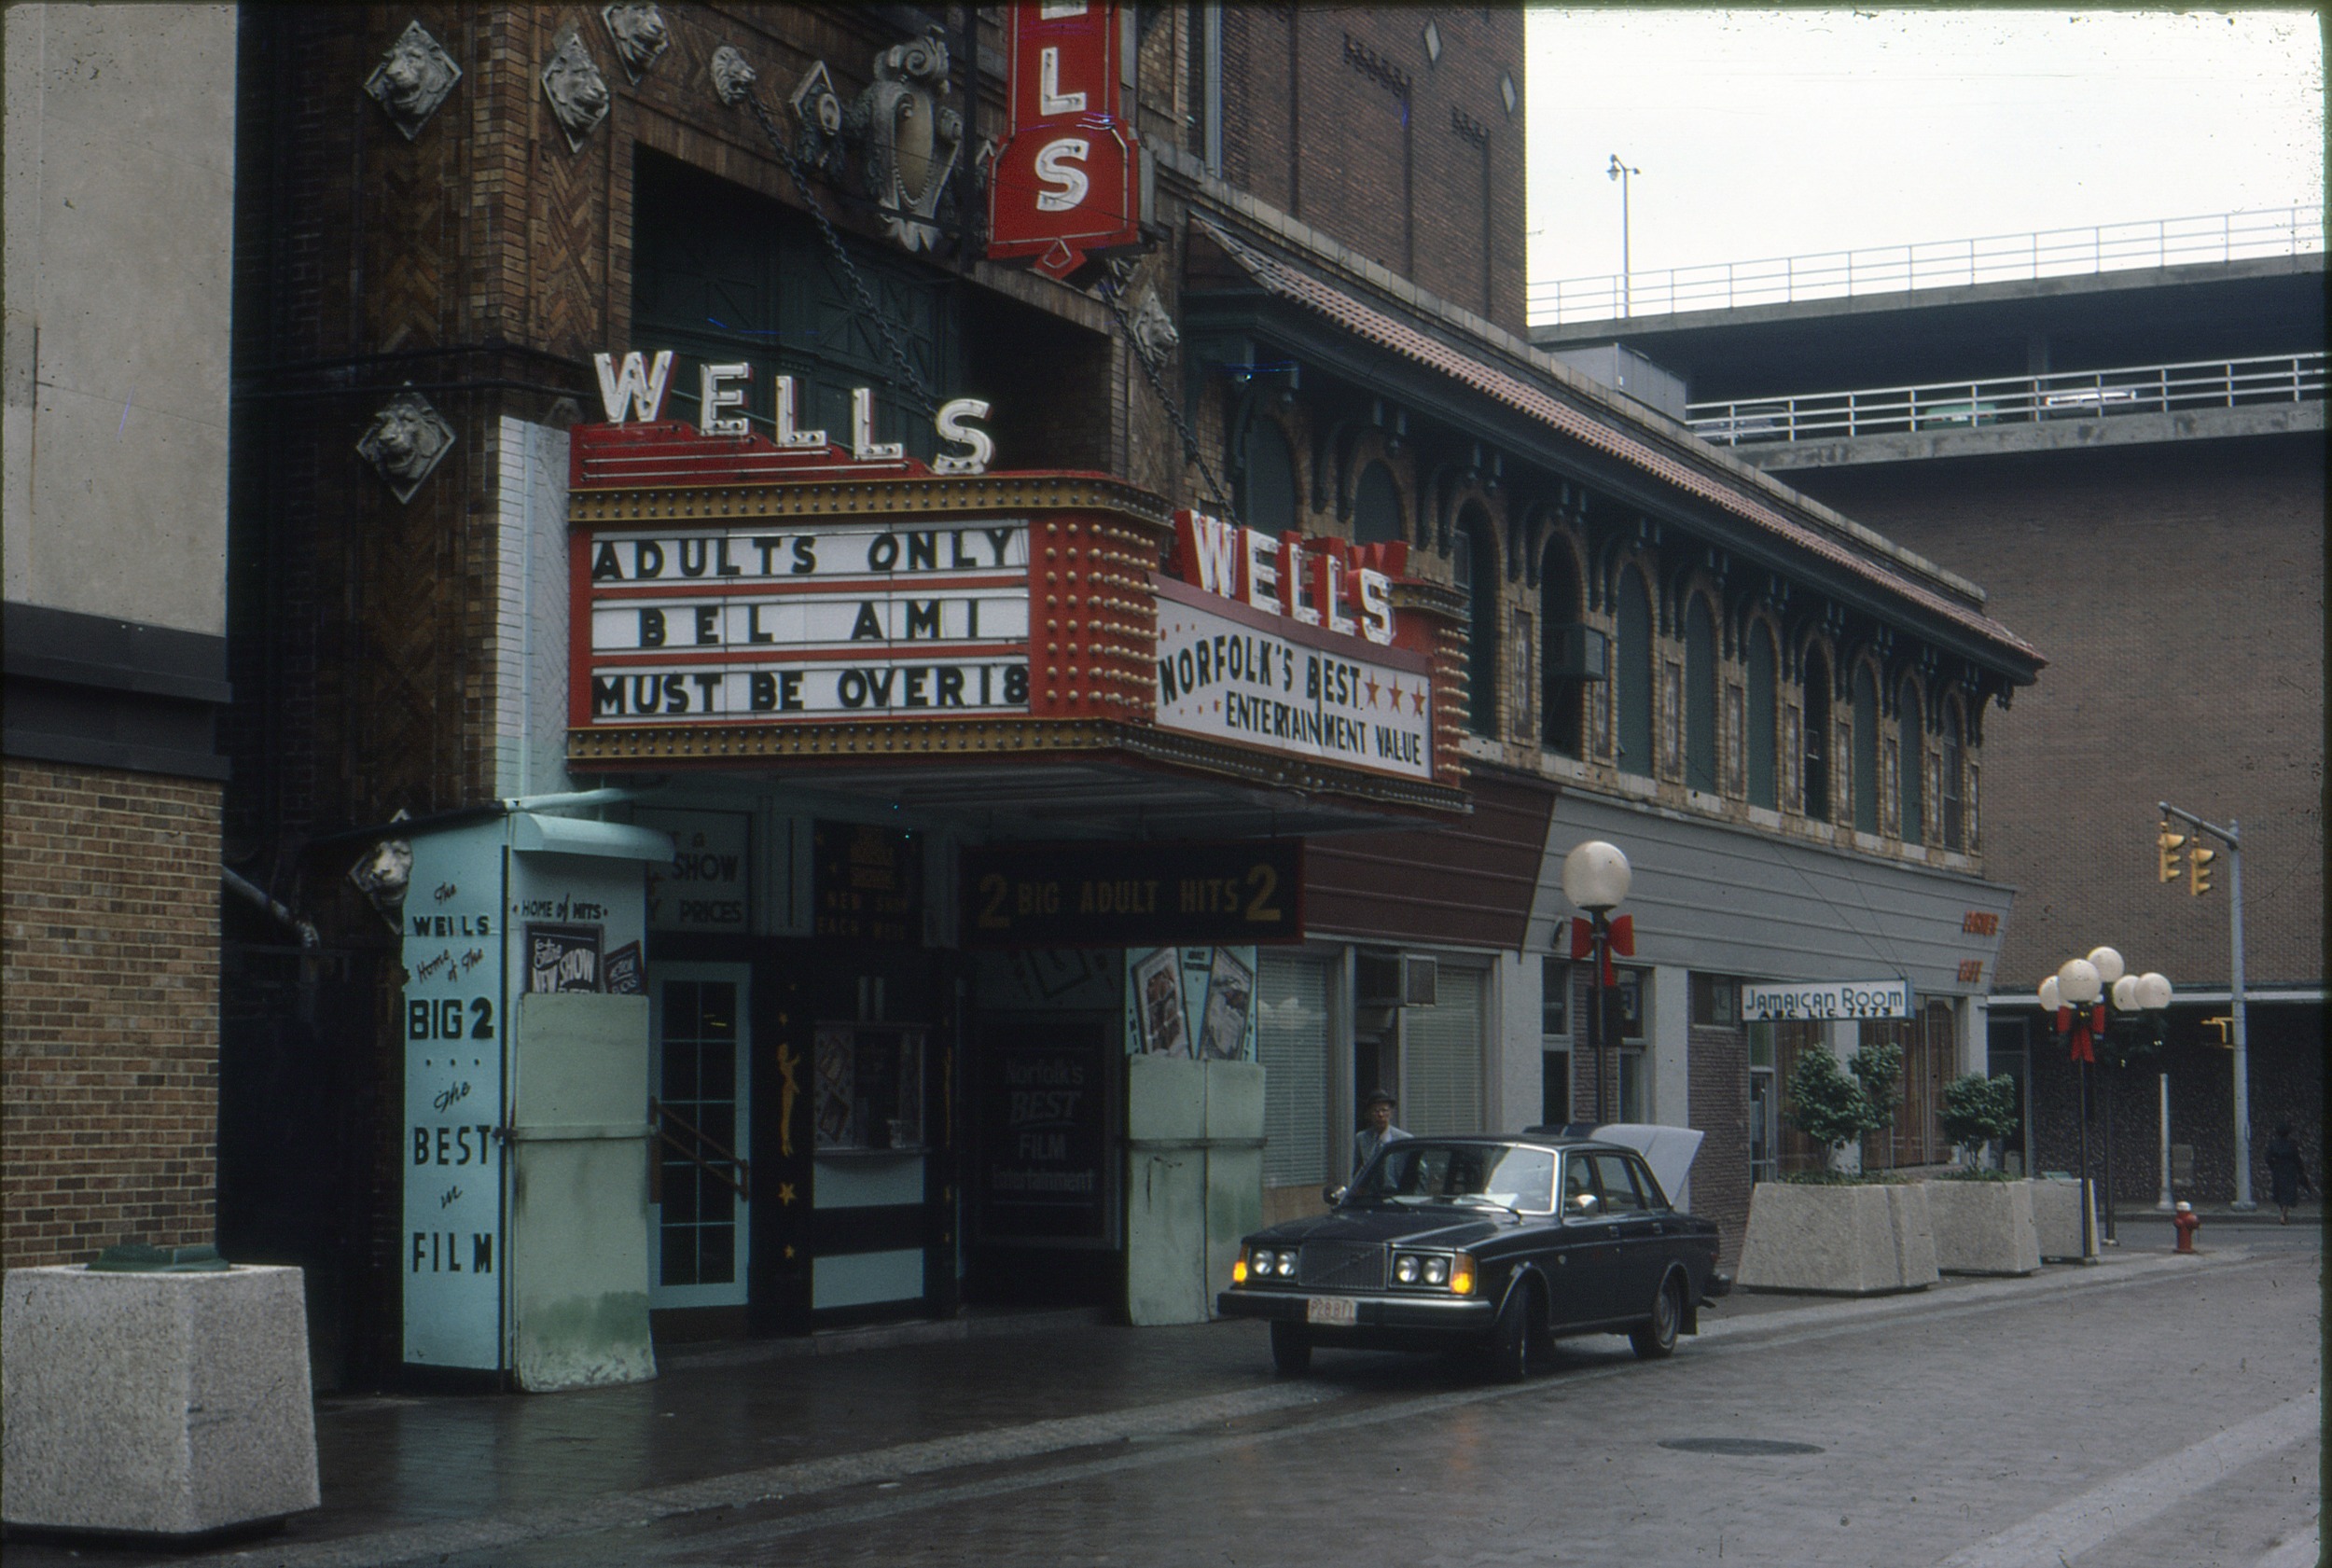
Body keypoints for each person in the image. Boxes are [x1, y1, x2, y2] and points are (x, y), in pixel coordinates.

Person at [2264, 1122, 2313, 1224]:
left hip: (2278, 1169)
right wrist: (2301, 1171)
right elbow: (2297, 1159)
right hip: (2290, 1170)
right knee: (2289, 1193)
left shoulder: (2273, 1144)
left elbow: (2268, 1158)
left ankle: (2283, 1214)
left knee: (2280, 1192)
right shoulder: (2292, 1144)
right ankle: (2283, 1215)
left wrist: (2273, 1167)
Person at [1353, 1089, 1409, 1173]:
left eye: (1384, 1110)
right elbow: (1357, 1172)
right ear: (1369, 1114)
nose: (1381, 1115)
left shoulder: (1404, 1139)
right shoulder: (1361, 1138)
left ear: (1391, 1113)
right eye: (1376, 1111)